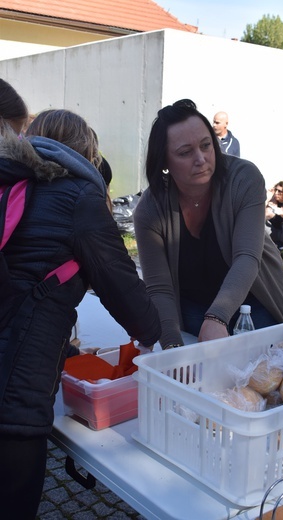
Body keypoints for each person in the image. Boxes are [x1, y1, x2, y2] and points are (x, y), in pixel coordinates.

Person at [0, 99, 161, 518]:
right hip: (11, 405)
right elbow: (122, 285)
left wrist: (65, 353)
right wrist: (153, 330)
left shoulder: (8, 182)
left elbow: (22, 278)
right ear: (87, 154)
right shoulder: (77, 194)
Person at [133, 99, 283, 350]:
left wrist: (217, 315)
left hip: (254, 306)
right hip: (193, 309)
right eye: (185, 152)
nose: (201, 159)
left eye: (206, 145)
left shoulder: (243, 178)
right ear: (163, 161)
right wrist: (172, 350)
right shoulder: (150, 209)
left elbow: (247, 257)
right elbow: (159, 288)